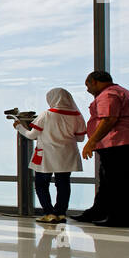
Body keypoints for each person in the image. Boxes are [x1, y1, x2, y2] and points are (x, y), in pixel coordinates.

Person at [76, 71, 129, 228]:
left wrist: (92, 141)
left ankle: (119, 218)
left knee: (118, 182)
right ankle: (98, 212)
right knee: (109, 180)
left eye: (87, 85)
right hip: (124, 142)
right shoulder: (123, 92)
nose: (87, 90)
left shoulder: (108, 94)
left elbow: (109, 119)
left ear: (94, 81)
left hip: (119, 142)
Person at [14, 87, 88, 224]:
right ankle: (60, 213)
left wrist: (19, 127)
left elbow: (31, 135)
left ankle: (49, 213)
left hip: (46, 155)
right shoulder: (77, 116)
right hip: (67, 155)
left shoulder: (46, 115)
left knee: (41, 184)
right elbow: (80, 139)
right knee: (63, 185)